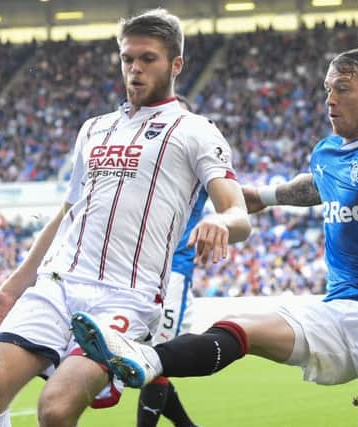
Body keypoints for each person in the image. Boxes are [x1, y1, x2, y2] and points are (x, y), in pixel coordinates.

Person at [71, 47, 358, 427]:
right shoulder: (327, 151)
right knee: (242, 326)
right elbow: (318, 186)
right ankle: (148, 359)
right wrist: (264, 197)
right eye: (327, 89)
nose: (330, 99)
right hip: (337, 307)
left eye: (342, 89)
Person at [0, 8, 251, 427]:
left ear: (176, 65)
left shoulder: (196, 132)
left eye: (147, 58)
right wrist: (11, 290)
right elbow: (67, 214)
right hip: (59, 285)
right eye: (127, 58)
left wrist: (221, 223)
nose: (134, 69)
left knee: (56, 410)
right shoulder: (94, 129)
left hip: (125, 297)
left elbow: (238, 212)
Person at [136, 93, 201, 427]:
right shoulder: (151, 163)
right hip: (139, 271)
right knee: (144, 356)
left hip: (173, 272)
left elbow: (238, 197)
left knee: (156, 357)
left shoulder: (201, 160)